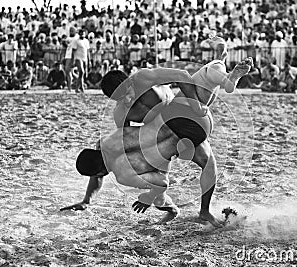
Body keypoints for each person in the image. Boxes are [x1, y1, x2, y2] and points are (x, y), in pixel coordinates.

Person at [62, 37, 252, 227]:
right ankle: (221, 62)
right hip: (162, 136)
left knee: (209, 164)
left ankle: (204, 211)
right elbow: (113, 152)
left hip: (183, 107)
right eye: (119, 99)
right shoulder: (121, 113)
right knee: (156, 181)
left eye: (126, 93)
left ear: (129, 81)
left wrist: (194, 103)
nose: (127, 100)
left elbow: (183, 75)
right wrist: (88, 199)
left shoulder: (144, 77)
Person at [71, 29, 90, 93]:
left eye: (83, 33)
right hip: (78, 58)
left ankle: (81, 87)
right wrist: (73, 60)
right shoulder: (76, 41)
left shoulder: (86, 41)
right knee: (81, 71)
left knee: (82, 74)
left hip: (84, 58)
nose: (82, 35)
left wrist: (89, 60)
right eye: (81, 33)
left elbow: (87, 51)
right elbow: (73, 51)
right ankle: (77, 88)